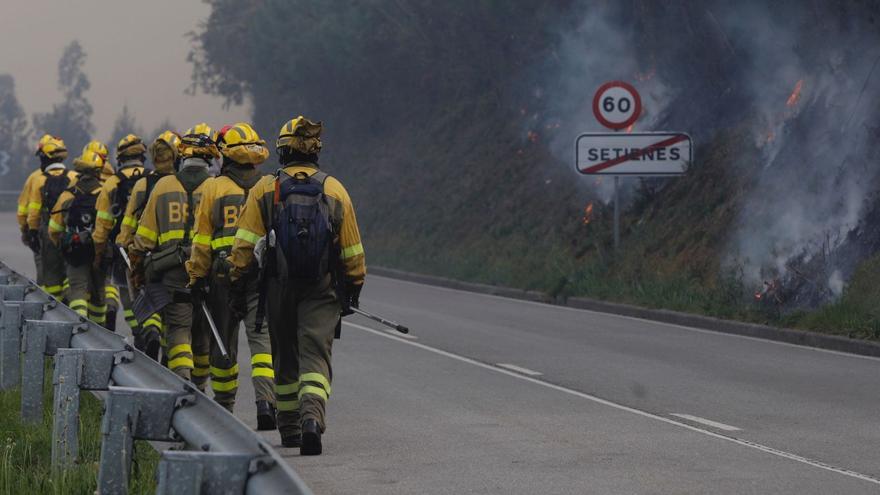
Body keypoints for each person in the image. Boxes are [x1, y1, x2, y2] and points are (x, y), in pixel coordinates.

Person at [228, 116, 365, 455]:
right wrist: (353, 287)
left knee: (285, 356)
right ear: (315, 150)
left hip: (278, 287)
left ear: (282, 151)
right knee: (315, 356)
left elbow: (244, 246)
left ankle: (288, 429)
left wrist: (235, 280)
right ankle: (311, 421)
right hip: (323, 288)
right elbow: (353, 251)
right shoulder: (334, 189)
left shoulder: (265, 189)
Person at [186, 123, 276, 429]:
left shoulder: (213, 188)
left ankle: (225, 409)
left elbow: (200, 240)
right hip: (260, 277)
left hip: (222, 279)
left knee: (223, 344)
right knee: (261, 341)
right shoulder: (268, 185)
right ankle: (266, 403)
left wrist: (196, 276)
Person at [129, 124, 215, 388]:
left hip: (172, 271)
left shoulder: (163, 186)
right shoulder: (216, 187)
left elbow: (144, 236)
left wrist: (137, 266)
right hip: (208, 269)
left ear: (182, 156)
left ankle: (182, 384)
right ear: (208, 159)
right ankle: (200, 388)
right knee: (203, 335)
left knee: (178, 329)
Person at [116, 131, 180, 360]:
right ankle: (166, 352)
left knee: (147, 297)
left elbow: (129, 221)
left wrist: (124, 245)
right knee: (172, 310)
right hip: (176, 255)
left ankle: (150, 331)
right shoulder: (181, 184)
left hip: (146, 254)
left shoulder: (143, 183)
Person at [93, 135, 147, 334]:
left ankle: (138, 333)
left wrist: (99, 252)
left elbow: (102, 224)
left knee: (127, 296)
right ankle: (150, 330)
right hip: (151, 248)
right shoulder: (154, 178)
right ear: (142, 155)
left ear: (120, 157)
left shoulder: (112, 183)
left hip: (121, 250)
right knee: (152, 295)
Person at [48, 150, 106, 323]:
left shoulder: (68, 195)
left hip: (75, 251)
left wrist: (62, 245)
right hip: (99, 252)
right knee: (99, 295)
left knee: (77, 290)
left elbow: (54, 229)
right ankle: (100, 334)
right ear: (98, 171)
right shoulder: (106, 193)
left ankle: (80, 327)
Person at [26, 136, 77, 299]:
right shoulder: (74, 177)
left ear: (45, 158)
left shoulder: (39, 180)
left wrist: (32, 232)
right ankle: (71, 302)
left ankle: (55, 311)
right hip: (71, 233)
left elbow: (34, 210)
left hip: (48, 234)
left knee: (52, 278)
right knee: (72, 272)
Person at [17, 134, 54, 284]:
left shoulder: (35, 178)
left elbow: (23, 210)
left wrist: (26, 231)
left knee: (43, 272)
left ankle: (45, 301)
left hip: (39, 231)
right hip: (64, 234)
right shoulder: (70, 176)